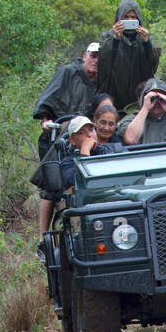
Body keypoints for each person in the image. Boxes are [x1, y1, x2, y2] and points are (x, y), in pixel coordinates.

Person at [32, 43, 99, 234]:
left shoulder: (104, 79)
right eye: (93, 56)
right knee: (50, 186)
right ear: (84, 55)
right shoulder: (68, 72)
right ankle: (42, 238)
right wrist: (45, 120)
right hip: (63, 132)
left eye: (100, 57)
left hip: (92, 131)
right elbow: (46, 101)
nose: (96, 61)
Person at [97, 0, 161, 112]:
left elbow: (152, 67)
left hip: (138, 95)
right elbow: (103, 65)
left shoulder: (144, 37)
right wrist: (115, 39)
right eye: (125, 17)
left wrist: (147, 43)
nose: (129, 20)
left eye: (133, 17)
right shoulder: (107, 36)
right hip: (114, 93)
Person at [123, 78, 166, 145]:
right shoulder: (131, 121)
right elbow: (130, 140)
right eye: (152, 99)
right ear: (140, 100)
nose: (156, 102)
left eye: (161, 98)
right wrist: (145, 108)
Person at [57, 116, 115, 188]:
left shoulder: (108, 150)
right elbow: (72, 181)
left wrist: (96, 148)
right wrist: (85, 152)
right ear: (72, 140)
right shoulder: (67, 162)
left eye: (91, 130)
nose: (89, 135)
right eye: (81, 133)